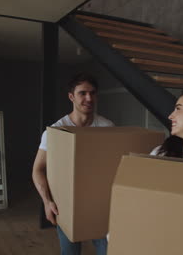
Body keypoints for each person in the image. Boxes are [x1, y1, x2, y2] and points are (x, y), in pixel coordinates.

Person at [32, 73, 114, 255]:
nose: (89, 98)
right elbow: (37, 169)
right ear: (71, 97)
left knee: (107, 250)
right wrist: (47, 202)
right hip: (66, 203)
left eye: (92, 93)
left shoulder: (107, 127)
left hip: (98, 203)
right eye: (82, 93)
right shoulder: (56, 131)